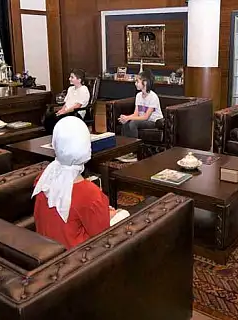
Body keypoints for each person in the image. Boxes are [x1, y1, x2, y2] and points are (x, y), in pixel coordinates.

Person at [33, 116, 120, 249]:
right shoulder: (89, 193)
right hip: (77, 255)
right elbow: (101, 235)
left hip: (44, 250)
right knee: (123, 215)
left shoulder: (43, 179)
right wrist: (108, 216)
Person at [118, 70, 163, 138]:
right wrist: (125, 118)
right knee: (125, 123)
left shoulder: (153, 97)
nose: (135, 84)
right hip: (143, 120)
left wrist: (128, 118)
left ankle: (135, 144)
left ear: (145, 82)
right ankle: (125, 143)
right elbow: (136, 114)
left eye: (137, 81)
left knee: (133, 123)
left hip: (154, 122)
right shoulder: (138, 95)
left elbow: (146, 117)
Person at [43, 69, 90, 134]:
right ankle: (53, 135)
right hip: (67, 111)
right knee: (50, 117)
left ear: (79, 80)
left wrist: (64, 112)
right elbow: (66, 103)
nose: (69, 79)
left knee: (58, 118)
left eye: (72, 77)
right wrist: (61, 111)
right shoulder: (70, 89)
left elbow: (77, 106)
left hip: (76, 112)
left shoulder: (83, 89)